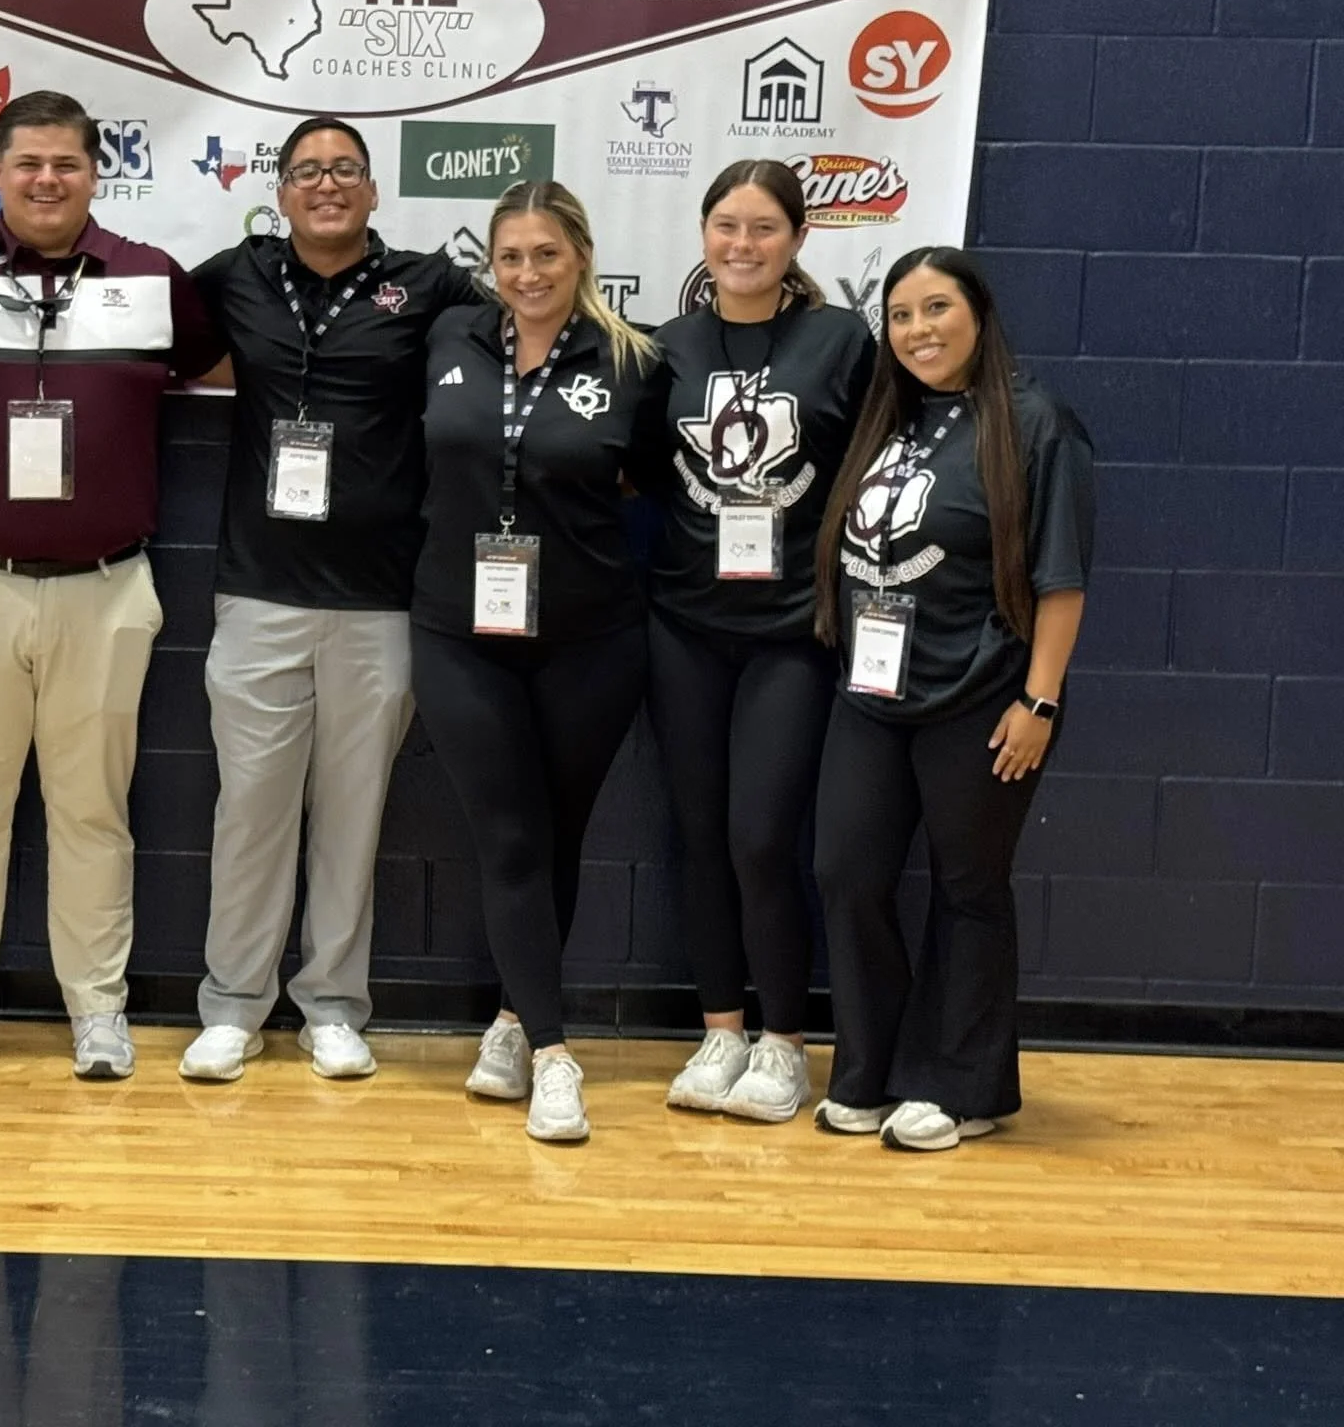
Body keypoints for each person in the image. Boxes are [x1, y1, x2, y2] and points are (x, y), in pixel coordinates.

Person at [0, 90, 224, 1081]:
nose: (44, 181)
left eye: (64, 165)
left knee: (91, 809)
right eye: (25, 163)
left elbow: (217, 363)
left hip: (106, 589)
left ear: (94, 173)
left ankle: (97, 1012)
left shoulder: (151, 280)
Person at [181, 117, 483, 1083]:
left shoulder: (429, 285)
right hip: (259, 591)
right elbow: (154, 343)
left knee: (355, 813)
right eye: (307, 170)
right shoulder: (236, 274)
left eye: (344, 169)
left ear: (372, 190)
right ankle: (232, 1004)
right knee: (252, 809)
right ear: (280, 189)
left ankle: (334, 1005)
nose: (326, 184)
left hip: (380, 600)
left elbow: (525, 340)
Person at [810, 247, 1094, 1152]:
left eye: (936, 310)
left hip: (983, 697)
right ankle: (872, 1068)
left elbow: (1061, 581)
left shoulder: (1039, 423)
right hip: (871, 692)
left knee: (970, 890)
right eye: (899, 315)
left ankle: (960, 1088)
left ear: (978, 315)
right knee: (847, 873)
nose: (918, 331)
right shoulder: (890, 418)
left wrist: (1039, 703)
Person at [410, 181, 665, 1143]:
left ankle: (515, 1022)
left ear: (582, 259)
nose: (527, 275)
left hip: (591, 638)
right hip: (455, 631)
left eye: (547, 256)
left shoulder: (636, 361)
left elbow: (645, 481)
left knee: (556, 836)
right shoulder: (448, 341)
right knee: (510, 836)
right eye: (510, 257)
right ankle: (557, 1057)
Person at [645, 160, 875, 1123]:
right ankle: (721, 1030)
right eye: (726, 226)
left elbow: (875, 465)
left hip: (791, 630)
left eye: (764, 229)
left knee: (761, 837)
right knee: (700, 838)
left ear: (797, 240)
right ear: (703, 235)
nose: (742, 245)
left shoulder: (839, 340)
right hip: (685, 625)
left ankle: (784, 1044)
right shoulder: (665, 344)